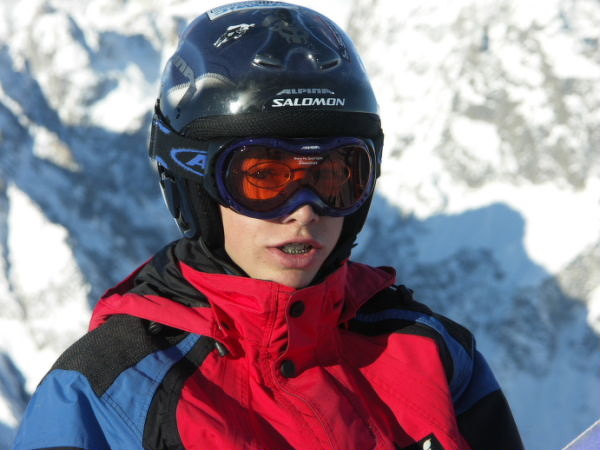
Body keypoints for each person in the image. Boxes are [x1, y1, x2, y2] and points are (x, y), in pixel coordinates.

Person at [13, 2, 524, 449]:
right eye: (264, 178)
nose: (305, 211)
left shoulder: (430, 352)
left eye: (334, 177)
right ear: (196, 186)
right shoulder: (106, 390)